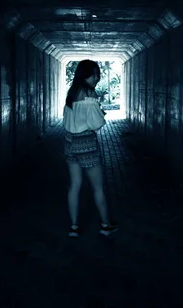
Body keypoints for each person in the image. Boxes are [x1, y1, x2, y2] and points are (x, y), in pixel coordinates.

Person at [63, 59, 119, 237]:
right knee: (98, 187)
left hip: (69, 142)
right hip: (86, 143)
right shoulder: (90, 95)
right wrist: (101, 114)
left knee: (74, 185)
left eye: (97, 74)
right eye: (93, 74)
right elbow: (96, 124)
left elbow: (67, 120)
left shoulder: (71, 94)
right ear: (84, 75)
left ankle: (74, 227)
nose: (96, 78)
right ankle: (105, 226)